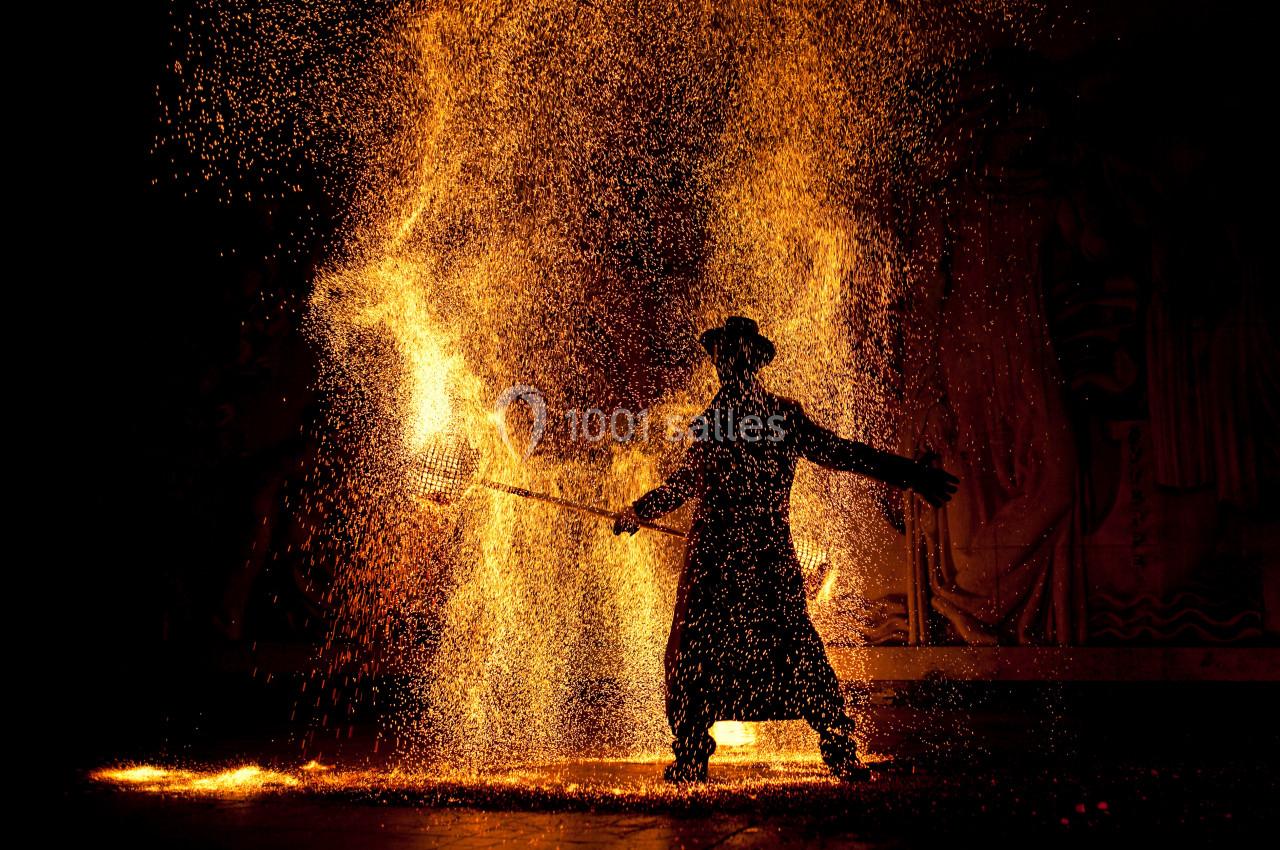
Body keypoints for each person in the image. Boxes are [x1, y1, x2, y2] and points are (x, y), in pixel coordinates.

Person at [614, 316, 959, 783]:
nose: (725, 363)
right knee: (767, 648)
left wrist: (640, 510)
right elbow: (841, 454)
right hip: (747, 558)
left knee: (734, 650)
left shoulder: (741, 422)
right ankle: (823, 747)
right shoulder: (756, 421)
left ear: (747, 361)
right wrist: (641, 509)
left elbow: (841, 454)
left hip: (725, 561)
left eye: (731, 354)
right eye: (721, 354)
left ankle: (732, 751)